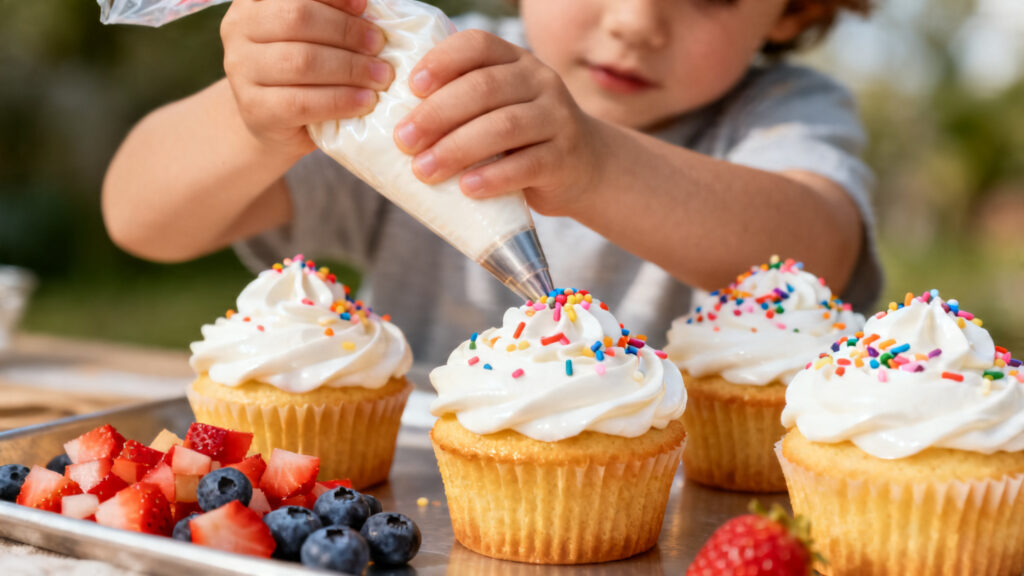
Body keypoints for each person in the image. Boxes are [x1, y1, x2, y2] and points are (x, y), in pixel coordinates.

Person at [102, 0, 881, 367]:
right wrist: (253, 119)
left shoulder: (780, 113)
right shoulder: (427, 74)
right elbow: (139, 216)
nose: (638, 20)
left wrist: (596, 164)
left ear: (790, 13)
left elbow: (818, 249)